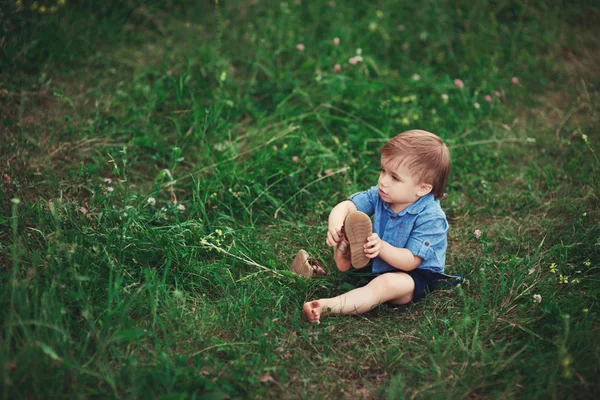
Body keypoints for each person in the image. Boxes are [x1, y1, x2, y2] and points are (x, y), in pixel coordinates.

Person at [290, 129, 461, 323]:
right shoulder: (381, 195)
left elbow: (410, 261)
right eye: (383, 171)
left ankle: (327, 306)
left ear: (422, 188)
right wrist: (336, 225)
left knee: (385, 284)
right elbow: (347, 206)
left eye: (395, 178)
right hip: (379, 259)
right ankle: (341, 254)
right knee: (357, 250)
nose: (383, 181)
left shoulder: (432, 218)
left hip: (415, 276)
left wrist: (382, 248)